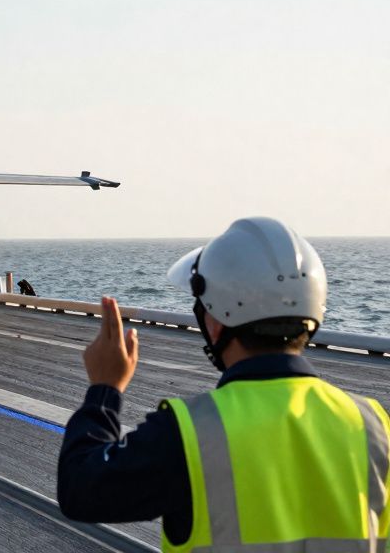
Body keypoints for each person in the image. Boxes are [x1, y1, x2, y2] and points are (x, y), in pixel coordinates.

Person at [57, 217, 390, 550]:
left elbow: (81, 490)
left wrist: (105, 389)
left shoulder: (191, 433)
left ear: (216, 324)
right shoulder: (373, 426)